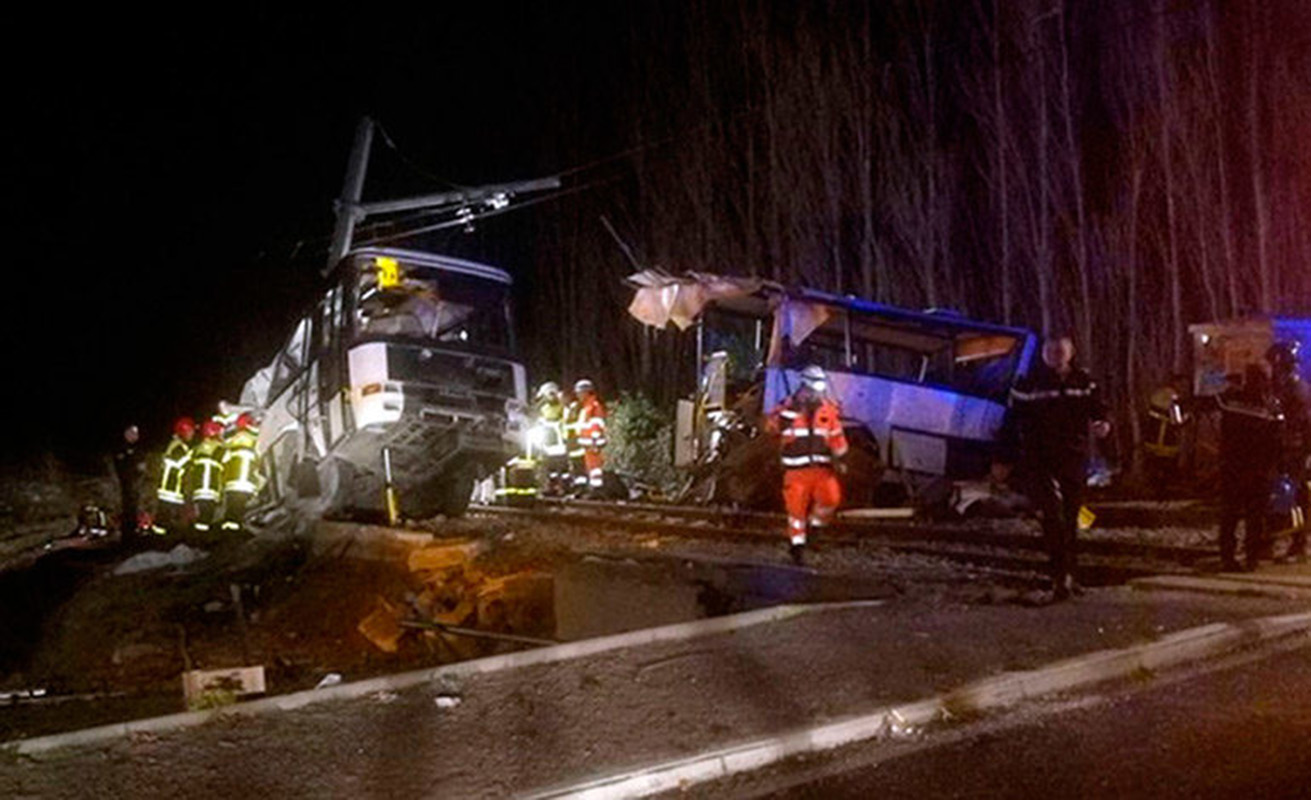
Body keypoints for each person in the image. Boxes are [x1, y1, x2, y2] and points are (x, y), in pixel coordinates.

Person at [996, 335, 1111, 601]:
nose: (1056, 355)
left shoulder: (1084, 381)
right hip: (1039, 458)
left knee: (1072, 517)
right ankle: (1060, 576)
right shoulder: (1029, 382)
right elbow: (1011, 422)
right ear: (1043, 353)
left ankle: (1070, 575)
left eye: (1061, 350)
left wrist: (1103, 424)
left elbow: (1098, 409)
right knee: (1052, 516)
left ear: (1071, 352)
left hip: (1073, 456)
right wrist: (1003, 458)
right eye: (1051, 350)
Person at [767, 365, 849, 566]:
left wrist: (842, 459)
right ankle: (797, 548)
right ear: (803, 387)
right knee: (796, 512)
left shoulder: (828, 411)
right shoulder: (787, 409)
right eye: (812, 391)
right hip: (796, 472)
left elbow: (836, 438)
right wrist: (785, 415)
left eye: (818, 391)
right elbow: (770, 428)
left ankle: (815, 528)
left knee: (831, 499)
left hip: (823, 469)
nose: (815, 395)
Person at [1216, 364, 1279, 571]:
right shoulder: (1268, 405)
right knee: (1254, 516)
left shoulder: (1231, 402)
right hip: (1257, 469)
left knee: (1230, 514)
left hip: (1232, 466)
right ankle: (1251, 557)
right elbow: (1275, 439)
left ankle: (1228, 556)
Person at [1268, 340, 1310, 560]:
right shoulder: (1290, 387)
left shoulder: (1295, 389)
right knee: (1287, 496)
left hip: (1294, 451)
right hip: (1289, 450)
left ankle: (1298, 543)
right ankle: (1289, 541)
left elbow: (1300, 422)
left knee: (1294, 497)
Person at [152, 417, 196, 535]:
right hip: (170, 485)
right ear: (184, 431)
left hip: (171, 485)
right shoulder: (178, 447)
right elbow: (180, 463)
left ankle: (162, 534)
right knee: (166, 512)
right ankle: (159, 537)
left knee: (167, 512)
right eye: (191, 431)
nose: (193, 434)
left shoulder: (177, 445)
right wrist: (192, 457)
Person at [221, 413, 261, 532]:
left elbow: (224, 459)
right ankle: (236, 535)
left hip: (231, 483)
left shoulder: (232, 440)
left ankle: (226, 535)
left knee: (231, 511)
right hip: (245, 483)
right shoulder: (253, 438)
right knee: (240, 511)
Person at [188, 419, 226, 535]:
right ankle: (201, 541)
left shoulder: (198, 448)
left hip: (198, 487)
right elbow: (228, 460)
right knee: (206, 516)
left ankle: (197, 538)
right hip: (210, 487)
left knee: (202, 516)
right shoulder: (219, 447)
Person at [113, 424, 147, 547]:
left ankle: (133, 533)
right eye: (132, 433)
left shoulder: (137, 448)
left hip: (135, 482)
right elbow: (122, 466)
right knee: (128, 509)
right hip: (126, 483)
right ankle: (127, 536)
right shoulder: (122, 448)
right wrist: (134, 469)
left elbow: (140, 462)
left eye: (136, 433)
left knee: (133, 508)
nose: (135, 436)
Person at [533, 381, 569, 497]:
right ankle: (552, 487)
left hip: (560, 440)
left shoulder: (562, 407)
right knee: (550, 467)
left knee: (563, 467)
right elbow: (541, 420)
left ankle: (565, 487)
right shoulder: (544, 408)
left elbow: (564, 420)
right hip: (549, 441)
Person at [574, 379, 608, 497]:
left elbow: (596, 425)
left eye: (579, 392)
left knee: (595, 468)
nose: (578, 395)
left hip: (592, 444)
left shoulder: (593, 406)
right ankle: (593, 489)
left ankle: (597, 490)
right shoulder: (586, 407)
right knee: (590, 467)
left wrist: (594, 442)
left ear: (586, 392)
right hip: (587, 443)